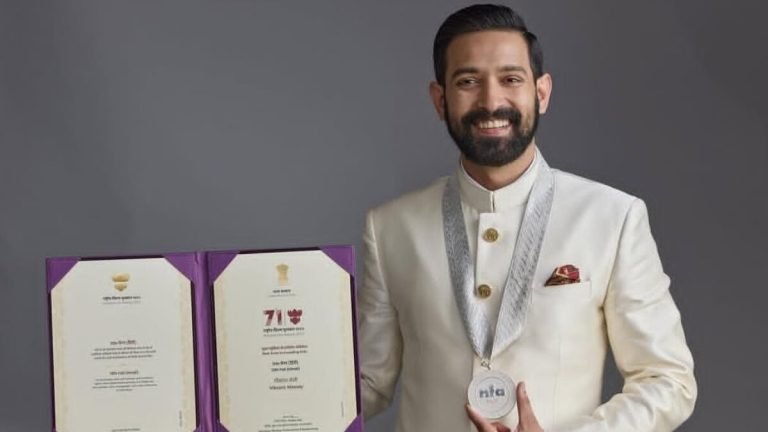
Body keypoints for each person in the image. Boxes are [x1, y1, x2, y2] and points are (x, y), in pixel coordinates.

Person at [357, 4, 697, 432]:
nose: (490, 101)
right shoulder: (390, 227)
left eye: (510, 79)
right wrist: (280, 395)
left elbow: (667, 380)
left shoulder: (612, 218)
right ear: (440, 100)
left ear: (542, 92)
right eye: (468, 82)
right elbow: (367, 383)